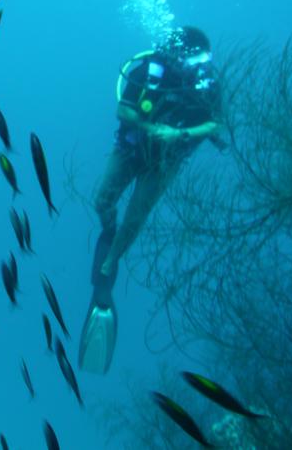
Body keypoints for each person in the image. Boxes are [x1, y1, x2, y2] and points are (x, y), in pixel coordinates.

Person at [78, 26, 222, 375]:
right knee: (102, 200)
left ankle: (110, 264)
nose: (198, 65)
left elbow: (214, 124)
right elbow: (123, 110)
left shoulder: (205, 81)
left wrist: (179, 133)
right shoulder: (149, 70)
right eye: (194, 59)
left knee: (136, 216)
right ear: (178, 53)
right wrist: (150, 127)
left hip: (165, 162)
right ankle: (108, 232)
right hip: (131, 149)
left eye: (203, 60)